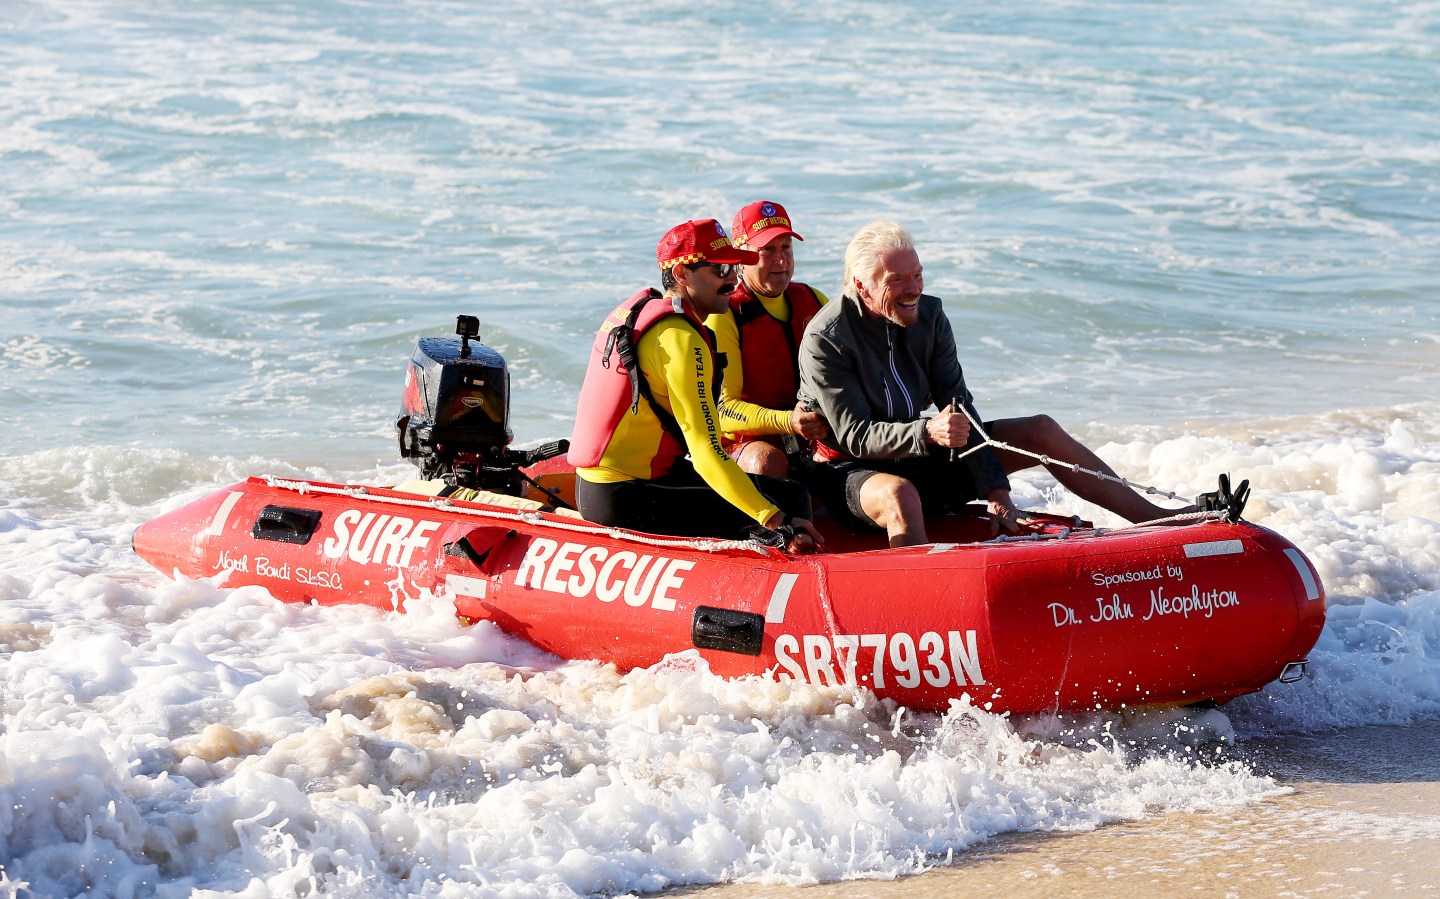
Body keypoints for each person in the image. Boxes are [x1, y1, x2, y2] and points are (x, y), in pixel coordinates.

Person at [798, 219, 1189, 547]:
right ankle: (924, 607)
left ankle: (1159, 521)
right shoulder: (827, 338)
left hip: (919, 460)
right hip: (849, 475)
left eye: (918, 275)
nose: (914, 289)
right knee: (900, 494)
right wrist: (927, 432)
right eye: (897, 280)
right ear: (860, 284)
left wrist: (996, 492)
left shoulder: (929, 316)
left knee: (1040, 430)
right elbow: (856, 436)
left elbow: (960, 406)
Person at [569, 218, 822, 549]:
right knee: (788, 500)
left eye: (732, 268)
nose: (732, 280)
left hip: (604, 485)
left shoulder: (642, 311)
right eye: (719, 271)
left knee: (779, 495)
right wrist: (775, 520)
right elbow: (706, 452)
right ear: (681, 275)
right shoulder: (682, 340)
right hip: (628, 495)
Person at [704, 200, 830, 478]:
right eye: (767, 250)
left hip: (807, 436)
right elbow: (724, 410)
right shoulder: (724, 314)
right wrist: (789, 421)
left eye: (786, 247)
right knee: (766, 461)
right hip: (744, 443)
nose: (781, 260)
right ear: (741, 256)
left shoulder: (814, 300)